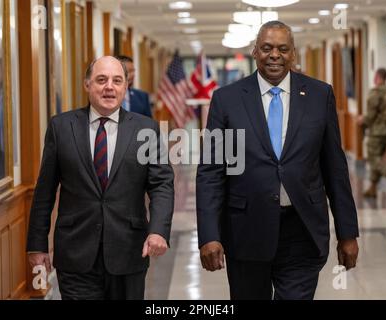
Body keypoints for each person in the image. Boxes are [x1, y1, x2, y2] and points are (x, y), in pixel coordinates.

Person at [196, 21, 359, 300]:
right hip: (246, 229)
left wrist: (347, 232)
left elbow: (335, 168)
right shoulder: (227, 99)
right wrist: (209, 235)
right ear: (255, 52)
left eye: (283, 49)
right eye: (267, 48)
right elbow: (212, 172)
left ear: (293, 53)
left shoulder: (320, 95)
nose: (275, 55)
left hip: (302, 230)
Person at [26, 56, 174, 300]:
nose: (109, 87)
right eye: (101, 80)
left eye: (117, 80)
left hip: (129, 252)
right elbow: (45, 190)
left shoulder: (146, 128)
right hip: (75, 254)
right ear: (87, 85)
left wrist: (158, 230)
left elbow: (161, 184)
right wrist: (37, 243)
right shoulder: (61, 127)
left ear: (126, 86)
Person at [358, 68, 386, 198]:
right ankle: (372, 188)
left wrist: (362, 120)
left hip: (377, 132)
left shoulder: (375, 93)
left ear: (377, 77)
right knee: (377, 157)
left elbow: (370, 116)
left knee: (374, 159)